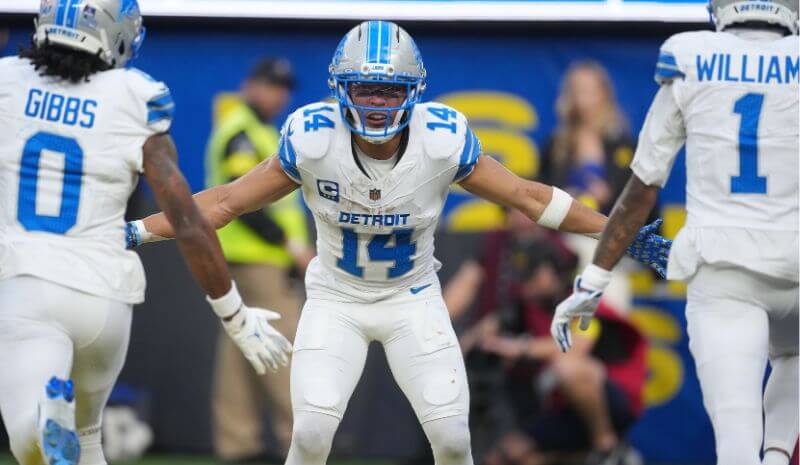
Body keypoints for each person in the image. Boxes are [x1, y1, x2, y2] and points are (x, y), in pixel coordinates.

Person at [126, 21, 671, 465]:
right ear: (342, 87)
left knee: (455, 439)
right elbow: (223, 204)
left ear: (414, 91)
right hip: (336, 300)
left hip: (413, 299)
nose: (378, 102)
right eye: (366, 87)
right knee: (312, 432)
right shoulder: (314, 138)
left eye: (390, 89)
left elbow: (528, 197)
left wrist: (614, 231)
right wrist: (135, 230)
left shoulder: (441, 141)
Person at [0, 2, 292, 465]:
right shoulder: (136, 95)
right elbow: (188, 220)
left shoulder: (8, 81)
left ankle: (40, 424)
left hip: (26, 279)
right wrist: (234, 315)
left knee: (27, 433)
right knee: (89, 435)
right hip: (104, 293)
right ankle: (55, 425)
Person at [551, 2, 799, 465]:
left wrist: (594, 280)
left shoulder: (692, 58)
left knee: (735, 443)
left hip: (724, 270)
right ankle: (780, 454)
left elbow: (641, 189)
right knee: (792, 357)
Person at [205, 58, 312, 464]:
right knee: (286, 349)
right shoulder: (243, 134)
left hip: (247, 261)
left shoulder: (259, 131)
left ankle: (238, 445)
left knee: (240, 349)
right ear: (249, 85)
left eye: (284, 87)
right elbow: (243, 206)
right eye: (271, 85)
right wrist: (291, 245)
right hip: (259, 261)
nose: (279, 94)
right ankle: (300, 444)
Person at [541, 61, 634, 215]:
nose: (582, 97)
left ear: (604, 94)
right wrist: (563, 196)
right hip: (564, 229)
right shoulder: (556, 144)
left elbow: (638, 195)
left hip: (609, 226)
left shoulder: (622, 143)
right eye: (576, 90)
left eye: (589, 90)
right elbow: (542, 187)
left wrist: (609, 195)